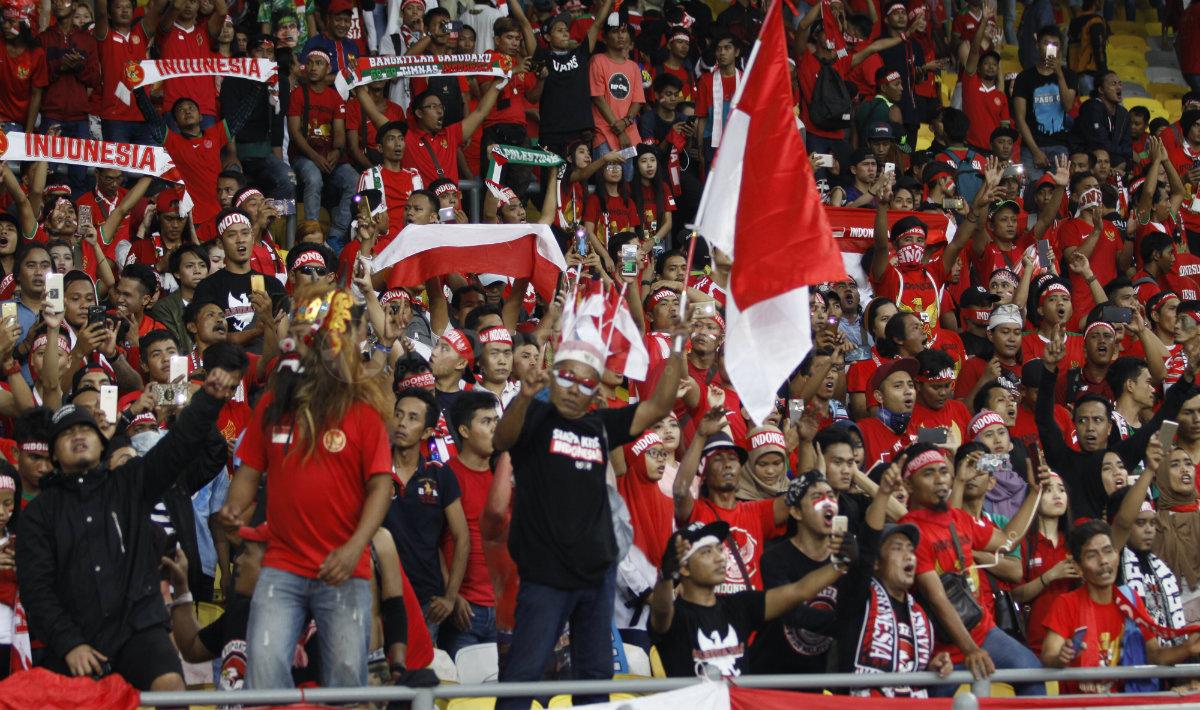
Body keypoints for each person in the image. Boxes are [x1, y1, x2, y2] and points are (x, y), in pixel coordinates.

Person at [492, 325, 685, 708]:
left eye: (584, 381)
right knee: (523, 674)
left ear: (596, 388)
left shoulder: (600, 425)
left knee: (596, 676)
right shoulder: (536, 418)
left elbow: (657, 407)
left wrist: (677, 351)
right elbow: (501, 441)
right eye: (565, 376)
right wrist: (526, 397)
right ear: (552, 374)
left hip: (597, 575)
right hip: (546, 576)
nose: (573, 386)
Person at [15, 368, 239, 690]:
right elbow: (37, 591)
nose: (78, 436)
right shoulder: (39, 514)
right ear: (53, 454)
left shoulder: (130, 481)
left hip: (140, 630)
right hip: (77, 638)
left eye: (85, 430)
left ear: (101, 443)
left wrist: (208, 401)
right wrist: (69, 643)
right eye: (66, 434)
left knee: (169, 685)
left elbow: (177, 447)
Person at [218, 286, 395, 690]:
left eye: (311, 338)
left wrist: (353, 550)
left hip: (343, 569)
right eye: (298, 336)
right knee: (262, 670)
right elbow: (247, 476)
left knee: (348, 681)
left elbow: (380, 488)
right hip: (281, 565)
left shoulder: (363, 408)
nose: (301, 347)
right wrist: (233, 511)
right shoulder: (273, 403)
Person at [898, 442, 1047, 695]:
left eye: (943, 471)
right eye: (928, 473)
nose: (939, 480)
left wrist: (1034, 493)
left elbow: (1007, 541)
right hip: (940, 647)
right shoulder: (910, 532)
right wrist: (971, 650)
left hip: (983, 630)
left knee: (1032, 671)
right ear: (909, 485)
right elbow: (938, 599)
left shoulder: (960, 519)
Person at [649, 518, 848, 678]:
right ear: (683, 567)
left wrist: (841, 564)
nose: (720, 557)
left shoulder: (739, 606)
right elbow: (662, 611)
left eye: (720, 548)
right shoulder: (676, 617)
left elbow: (800, 591)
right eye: (706, 552)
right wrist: (666, 577)